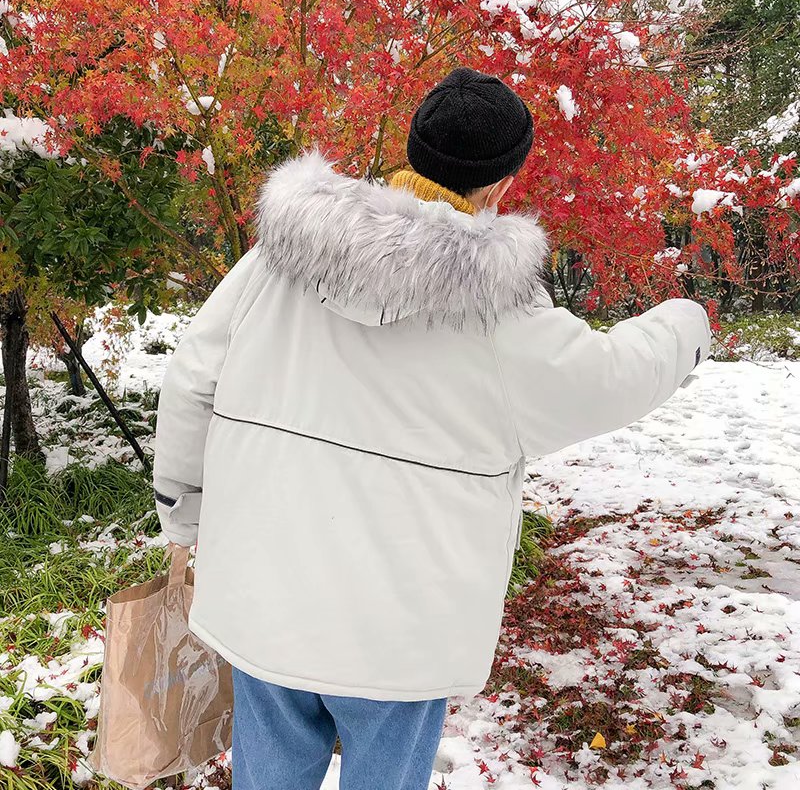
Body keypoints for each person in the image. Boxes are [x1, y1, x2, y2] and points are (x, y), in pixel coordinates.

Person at [152, 66, 711, 789]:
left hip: (263, 601)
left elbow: (191, 377)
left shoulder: (276, 260)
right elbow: (606, 378)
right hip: (400, 635)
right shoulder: (498, 311)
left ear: (411, 151)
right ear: (503, 183)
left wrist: (183, 517)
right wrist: (684, 322)